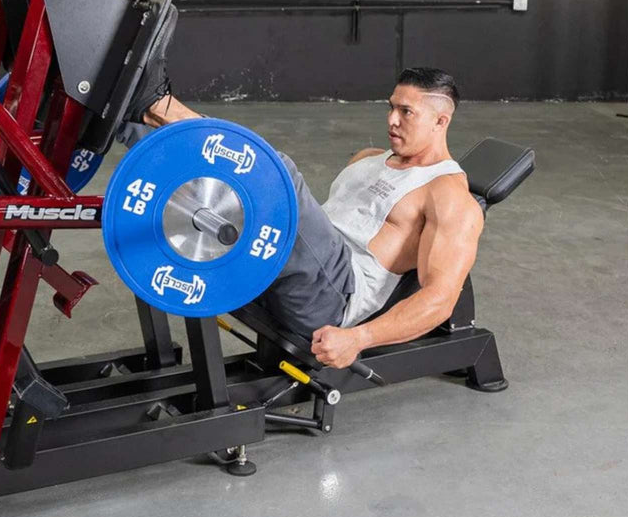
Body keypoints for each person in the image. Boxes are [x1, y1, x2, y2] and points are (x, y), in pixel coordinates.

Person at [128, 63, 484, 371]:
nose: (392, 120)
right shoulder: (369, 157)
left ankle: (161, 106)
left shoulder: (449, 195)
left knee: (276, 174)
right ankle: (129, 120)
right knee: (208, 184)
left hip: (333, 299)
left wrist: (358, 338)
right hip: (298, 269)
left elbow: (440, 299)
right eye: (392, 107)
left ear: (440, 121)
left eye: (406, 112)